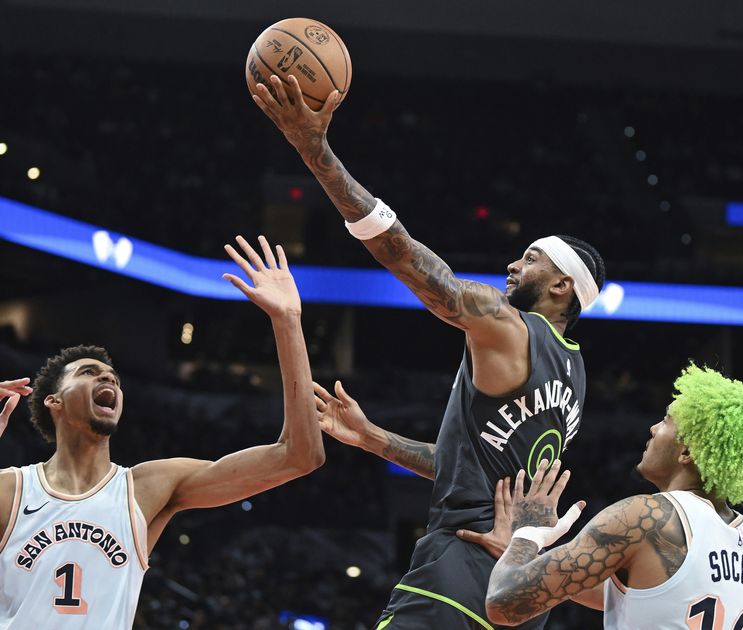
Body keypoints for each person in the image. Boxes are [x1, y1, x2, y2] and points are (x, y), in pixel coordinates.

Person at [254, 76, 605, 629]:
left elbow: (403, 255)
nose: (513, 265)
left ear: (562, 286)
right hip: (521, 595)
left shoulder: (508, 327)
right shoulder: (575, 373)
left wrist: (315, 152)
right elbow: (470, 468)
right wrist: (373, 438)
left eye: (531, 259)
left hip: (461, 566)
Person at [0, 235, 325, 629]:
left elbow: (299, 456)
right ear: (54, 400)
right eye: (88, 372)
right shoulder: (11, 490)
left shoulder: (147, 488)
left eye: (114, 377)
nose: (109, 378)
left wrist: (287, 322)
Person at [485, 364, 743, 629]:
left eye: (665, 421)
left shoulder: (647, 516)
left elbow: (503, 604)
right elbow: (634, 596)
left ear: (687, 452)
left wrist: (526, 534)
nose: (653, 428)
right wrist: (530, 557)